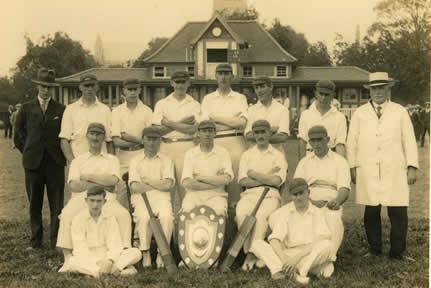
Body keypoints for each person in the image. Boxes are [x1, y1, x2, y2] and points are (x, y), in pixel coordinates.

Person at [347, 72, 418, 260]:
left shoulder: (400, 111)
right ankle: (374, 248)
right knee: (371, 210)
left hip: (394, 168)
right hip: (368, 169)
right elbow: (351, 142)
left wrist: (412, 166)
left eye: (381, 88)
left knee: (398, 210)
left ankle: (397, 252)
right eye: (374, 89)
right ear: (369, 91)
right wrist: (352, 167)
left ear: (388, 89)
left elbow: (409, 140)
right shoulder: (360, 114)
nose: (378, 92)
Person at [57, 123, 132, 266]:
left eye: (99, 134)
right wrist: (102, 184)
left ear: (104, 137)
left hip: (107, 199)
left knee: (123, 215)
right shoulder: (78, 161)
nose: (95, 137)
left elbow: (114, 180)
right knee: (67, 214)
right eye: (92, 133)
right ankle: (67, 257)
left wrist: (87, 176)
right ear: (87, 136)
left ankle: (123, 253)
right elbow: (74, 185)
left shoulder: (112, 159)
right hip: (81, 198)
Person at [13, 68, 66, 249]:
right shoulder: (27, 108)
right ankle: (36, 241)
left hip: (55, 164)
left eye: (49, 87)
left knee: (56, 205)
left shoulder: (61, 109)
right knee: (34, 204)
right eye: (43, 86)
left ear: (53, 89)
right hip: (33, 164)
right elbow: (18, 134)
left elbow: (64, 135)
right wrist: (28, 150)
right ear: (38, 87)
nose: (46, 90)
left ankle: (56, 241)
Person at [249, 178, 334, 283]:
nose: (298, 197)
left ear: (308, 192)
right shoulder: (285, 212)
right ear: (291, 196)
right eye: (295, 194)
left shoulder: (317, 212)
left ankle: (296, 272)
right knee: (257, 244)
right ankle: (281, 270)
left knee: (327, 245)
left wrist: (296, 258)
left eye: (301, 193)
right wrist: (285, 259)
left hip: (307, 255)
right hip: (288, 254)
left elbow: (320, 240)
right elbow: (274, 239)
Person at [237, 120, 287, 271]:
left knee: (261, 216)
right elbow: (243, 180)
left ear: (269, 133)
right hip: (249, 194)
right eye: (257, 133)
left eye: (263, 132)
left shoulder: (278, 155)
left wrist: (254, 174)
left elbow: (277, 181)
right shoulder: (246, 155)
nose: (260, 136)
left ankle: (252, 256)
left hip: (270, 195)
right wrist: (267, 177)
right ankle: (251, 251)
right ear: (253, 135)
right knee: (241, 214)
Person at [294, 125, 350, 261]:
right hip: (308, 200)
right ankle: (306, 256)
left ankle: (330, 257)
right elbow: (296, 187)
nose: (316, 144)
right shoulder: (304, 162)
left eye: (320, 140)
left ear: (328, 140)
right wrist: (310, 202)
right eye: (313, 141)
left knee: (332, 218)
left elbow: (344, 189)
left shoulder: (340, 161)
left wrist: (337, 201)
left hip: (330, 201)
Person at [59, 186, 141, 277]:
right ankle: (114, 272)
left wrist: (109, 260)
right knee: (71, 262)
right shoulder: (78, 219)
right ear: (86, 200)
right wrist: (97, 263)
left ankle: (97, 272)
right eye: (92, 200)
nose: (95, 205)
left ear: (104, 202)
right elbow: (80, 248)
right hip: (88, 257)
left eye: (98, 201)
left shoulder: (110, 218)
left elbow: (115, 244)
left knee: (136, 252)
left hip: (106, 254)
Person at [152, 70, 200, 215]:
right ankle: (169, 231)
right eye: (177, 82)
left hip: (187, 147)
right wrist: (182, 122)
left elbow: (193, 130)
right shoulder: (161, 103)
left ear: (188, 83)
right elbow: (157, 131)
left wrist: (168, 122)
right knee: (166, 192)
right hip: (166, 147)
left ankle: (186, 228)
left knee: (187, 191)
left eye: (183, 82)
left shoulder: (194, 104)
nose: (180, 85)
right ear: (172, 83)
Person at [200, 64, 248, 206]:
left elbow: (242, 123)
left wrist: (215, 118)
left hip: (235, 141)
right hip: (215, 142)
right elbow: (205, 125)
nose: (223, 77)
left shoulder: (240, 98)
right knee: (215, 179)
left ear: (232, 76)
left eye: (227, 73)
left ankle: (234, 217)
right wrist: (231, 121)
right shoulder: (208, 99)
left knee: (234, 183)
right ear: (215, 76)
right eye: (220, 73)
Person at [128, 127, 175, 268]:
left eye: (155, 139)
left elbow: (168, 184)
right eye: (149, 139)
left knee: (167, 217)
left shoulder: (166, 160)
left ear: (160, 141)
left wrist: (147, 181)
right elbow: (135, 187)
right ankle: (145, 251)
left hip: (162, 197)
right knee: (143, 217)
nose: (152, 142)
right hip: (141, 197)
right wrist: (157, 183)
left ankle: (163, 252)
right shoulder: (135, 161)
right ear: (143, 140)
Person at [111, 78, 152, 209]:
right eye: (130, 89)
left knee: (141, 196)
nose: (133, 93)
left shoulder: (147, 111)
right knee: (121, 196)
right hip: (123, 157)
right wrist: (140, 141)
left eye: (135, 89)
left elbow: (149, 138)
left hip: (141, 155)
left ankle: (139, 227)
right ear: (124, 91)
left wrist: (127, 136)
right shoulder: (116, 111)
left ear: (140, 90)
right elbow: (117, 141)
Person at [181, 120, 234, 216]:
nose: (207, 134)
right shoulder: (190, 153)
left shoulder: (223, 152)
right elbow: (187, 183)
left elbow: (226, 179)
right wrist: (216, 181)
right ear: (198, 133)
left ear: (215, 133)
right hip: (193, 195)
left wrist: (201, 178)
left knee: (219, 211)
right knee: (187, 210)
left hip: (216, 195)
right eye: (204, 131)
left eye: (210, 131)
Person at [60, 74, 114, 164]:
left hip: (101, 163)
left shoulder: (105, 110)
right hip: (78, 159)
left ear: (97, 87)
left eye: (92, 85)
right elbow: (64, 140)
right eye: (86, 85)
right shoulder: (70, 109)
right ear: (80, 87)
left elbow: (109, 141)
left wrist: (111, 163)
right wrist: (73, 163)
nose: (89, 89)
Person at [298, 80, 347, 157]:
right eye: (321, 94)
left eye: (327, 94)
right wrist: (301, 164)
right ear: (316, 93)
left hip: (331, 157)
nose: (323, 97)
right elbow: (302, 141)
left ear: (333, 95)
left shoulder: (340, 117)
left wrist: (341, 166)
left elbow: (340, 144)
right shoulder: (305, 114)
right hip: (310, 156)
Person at [245, 77, 290, 148]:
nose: (259, 91)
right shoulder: (251, 110)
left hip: (276, 155)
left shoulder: (282, 110)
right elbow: (248, 136)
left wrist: (257, 134)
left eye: (262, 87)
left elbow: (283, 137)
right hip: (255, 156)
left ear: (271, 87)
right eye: (256, 88)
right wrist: (271, 131)